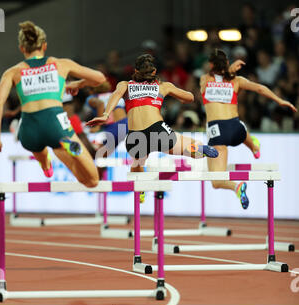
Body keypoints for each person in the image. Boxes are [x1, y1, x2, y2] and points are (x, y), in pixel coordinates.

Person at [0, 21, 106, 187]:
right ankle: (67, 147)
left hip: (28, 129)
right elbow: (99, 78)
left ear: (22, 48)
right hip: (55, 125)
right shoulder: (60, 64)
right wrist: (79, 84)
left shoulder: (13, 72)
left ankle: (46, 165)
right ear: (44, 46)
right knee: (92, 181)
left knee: (39, 150)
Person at [200, 48, 297, 209]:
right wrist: (280, 100)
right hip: (235, 128)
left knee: (216, 181)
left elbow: (216, 77)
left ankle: (236, 187)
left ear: (210, 65)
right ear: (228, 64)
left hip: (217, 134)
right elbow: (259, 88)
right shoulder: (237, 81)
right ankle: (253, 146)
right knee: (241, 128)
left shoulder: (204, 80)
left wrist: (227, 70)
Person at [86, 53, 219, 168]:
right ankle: (196, 149)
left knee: (137, 164)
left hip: (134, 136)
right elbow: (190, 97)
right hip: (156, 130)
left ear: (136, 71)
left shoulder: (125, 85)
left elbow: (115, 95)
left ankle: (141, 192)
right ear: (154, 71)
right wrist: (175, 92)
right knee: (191, 145)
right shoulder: (163, 86)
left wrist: (105, 114)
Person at [85, 81, 128, 158]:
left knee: (98, 156)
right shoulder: (114, 95)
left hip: (113, 127)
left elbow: (100, 103)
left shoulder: (91, 98)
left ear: (91, 90)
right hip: (125, 124)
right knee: (103, 155)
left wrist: (98, 126)